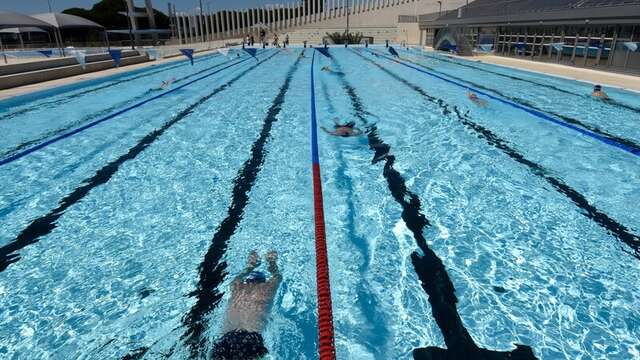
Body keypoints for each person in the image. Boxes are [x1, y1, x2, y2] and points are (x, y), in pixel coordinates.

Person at [211, 250, 281, 359]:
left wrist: (251, 266)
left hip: (225, 340)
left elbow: (238, 277)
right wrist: (272, 262)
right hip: (249, 339)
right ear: (263, 281)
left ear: (247, 281)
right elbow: (277, 276)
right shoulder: (267, 289)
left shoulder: (237, 287)